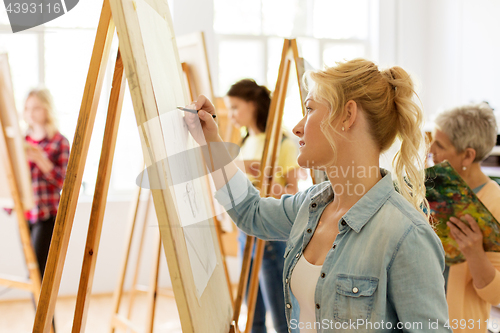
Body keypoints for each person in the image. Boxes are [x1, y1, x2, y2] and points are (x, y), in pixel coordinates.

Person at [185, 58, 451, 333]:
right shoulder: (311, 205)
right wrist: (210, 141)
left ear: (347, 116)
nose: (298, 127)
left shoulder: (407, 235)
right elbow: (250, 212)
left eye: (310, 109)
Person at [225, 79, 302, 333]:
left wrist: (268, 182)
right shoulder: (245, 142)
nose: (232, 115)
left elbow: (293, 194)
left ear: (253, 105)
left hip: (270, 238)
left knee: (282, 319)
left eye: (235, 107)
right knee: (253, 318)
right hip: (245, 234)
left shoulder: (283, 144)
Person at [430, 103, 500, 333]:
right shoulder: (433, 188)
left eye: (439, 145)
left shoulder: (495, 203)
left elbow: (495, 295)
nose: (431, 148)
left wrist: (474, 253)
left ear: (468, 155)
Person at [23, 88, 70, 279]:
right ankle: (39, 310)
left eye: (36, 108)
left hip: (48, 214)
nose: (30, 114)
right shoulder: (21, 141)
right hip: (26, 212)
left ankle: (45, 311)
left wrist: (42, 160)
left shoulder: (60, 142)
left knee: (40, 271)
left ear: (47, 109)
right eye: (27, 109)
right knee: (32, 272)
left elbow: (64, 183)